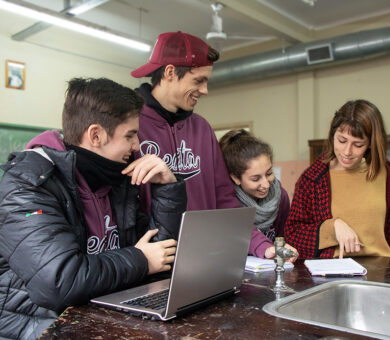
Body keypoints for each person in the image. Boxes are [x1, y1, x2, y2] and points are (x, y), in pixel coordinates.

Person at [0, 78, 187, 340]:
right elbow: (59, 283)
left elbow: (160, 255)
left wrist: (166, 188)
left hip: (94, 317)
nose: (137, 146)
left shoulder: (117, 180)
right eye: (130, 135)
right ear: (96, 135)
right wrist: (140, 260)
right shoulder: (27, 186)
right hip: (35, 325)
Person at [131, 31, 277, 259]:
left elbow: (225, 202)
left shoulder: (202, 129)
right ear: (170, 72)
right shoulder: (131, 124)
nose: (205, 90)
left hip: (204, 259)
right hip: (152, 261)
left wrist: (261, 245)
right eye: (199, 80)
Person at [285, 99, 390, 259]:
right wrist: (332, 227)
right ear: (332, 135)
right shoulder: (312, 179)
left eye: (358, 145)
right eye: (342, 140)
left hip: (382, 273)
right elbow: (293, 234)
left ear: (371, 144)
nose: (347, 152)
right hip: (331, 272)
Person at [218, 129, 298, 261]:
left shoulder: (280, 197)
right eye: (255, 179)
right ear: (236, 178)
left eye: (269, 173)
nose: (266, 184)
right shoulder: (228, 202)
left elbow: (282, 238)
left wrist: (284, 251)